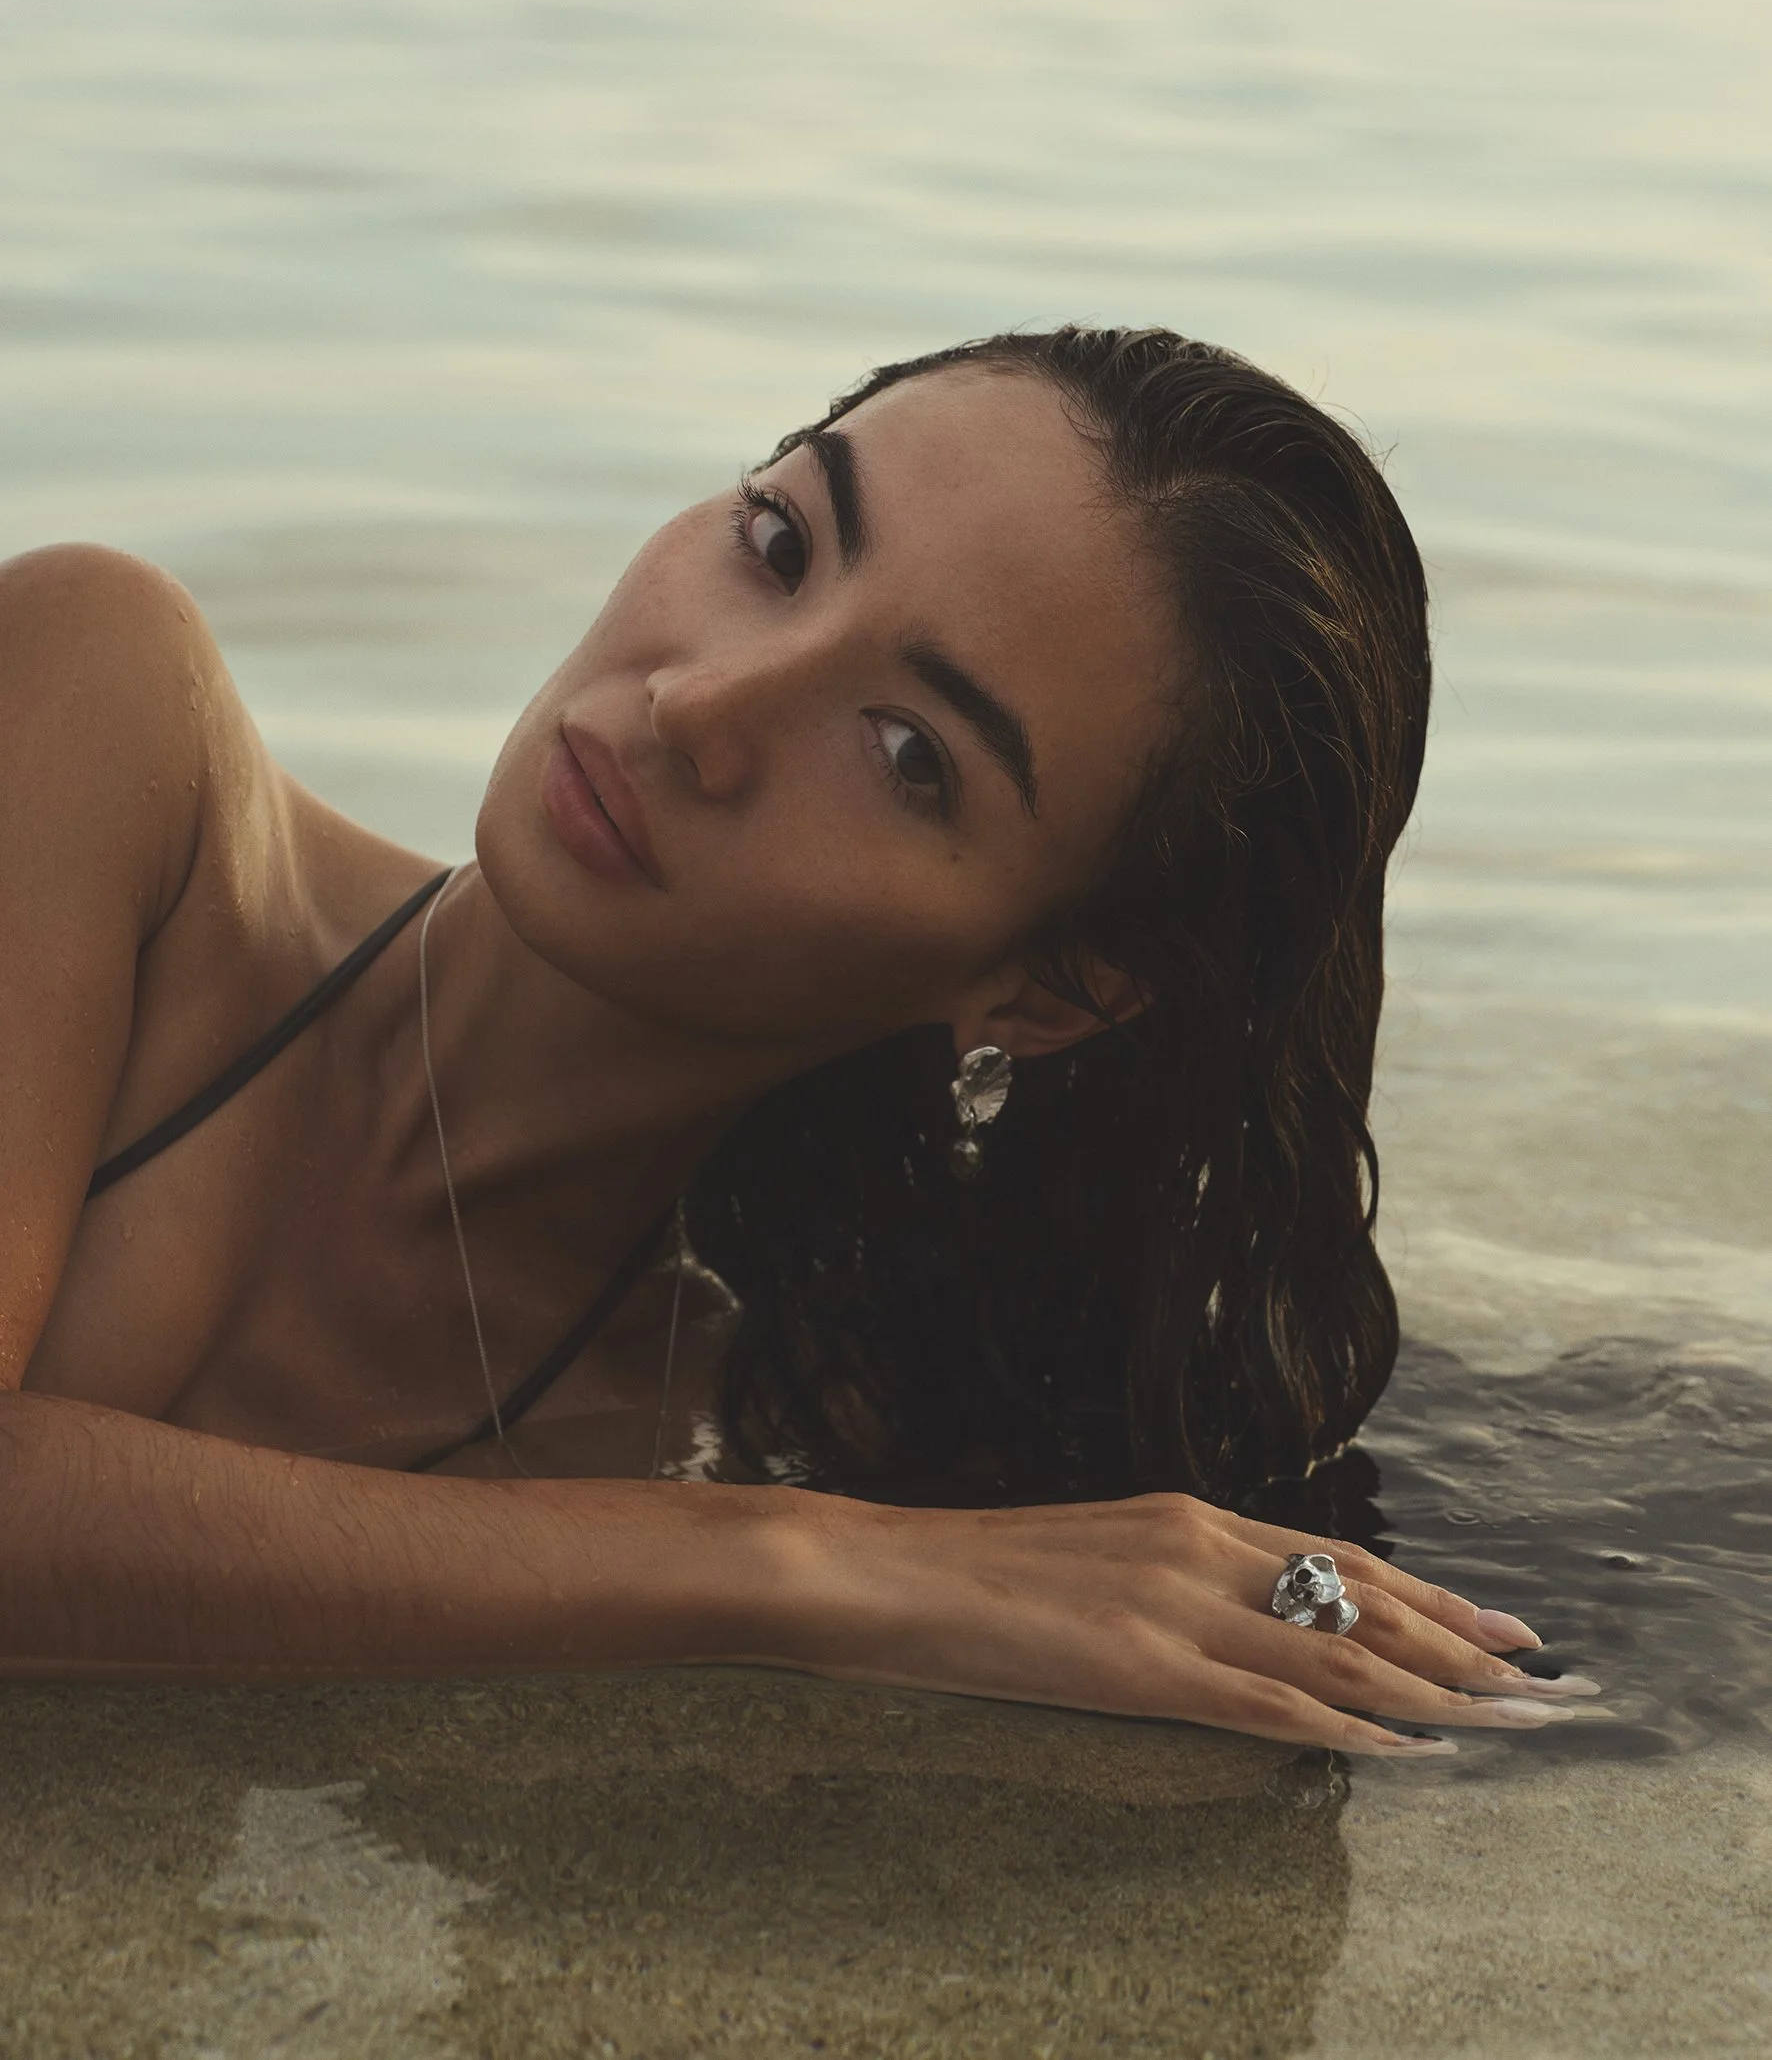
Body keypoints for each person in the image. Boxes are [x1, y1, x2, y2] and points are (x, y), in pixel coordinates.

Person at [0, 326, 1596, 1750]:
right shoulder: (105, 716)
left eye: (908, 751)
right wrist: (795, 1567)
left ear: (1046, 993)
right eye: (779, 539)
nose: (699, 701)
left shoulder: (729, 1407)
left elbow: (1247, 1571)